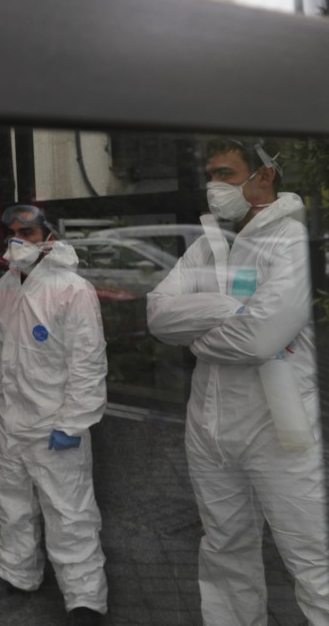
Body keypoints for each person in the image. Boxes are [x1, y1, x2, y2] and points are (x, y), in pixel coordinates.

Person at [147, 138, 329, 624]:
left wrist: (199, 340)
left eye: (225, 174)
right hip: (209, 424)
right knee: (225, 547)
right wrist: (232, 312)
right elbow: (159, 315)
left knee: (310, 554)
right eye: (210, 174)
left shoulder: (292, 241)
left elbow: (259, 339)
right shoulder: (209, 246)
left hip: (279, 426)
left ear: (263, 177)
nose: (214, 186)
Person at [0, 205, 108, 626]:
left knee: (69, 512)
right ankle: (17, 574)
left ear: (48, 236)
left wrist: (74, 423)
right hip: (10, 421)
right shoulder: (4, 287)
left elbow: (88, 363)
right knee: (11, 503)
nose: (18, 240)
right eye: (12, 232)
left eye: (28, 232)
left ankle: (85, 599)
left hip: (55, 424)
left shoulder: (72, 289)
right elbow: (0, 349)